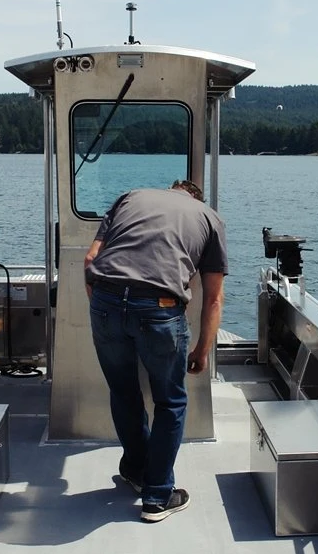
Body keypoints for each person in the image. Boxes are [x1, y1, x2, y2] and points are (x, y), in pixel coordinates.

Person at [84, 180, 227, 523]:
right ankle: (158, 496)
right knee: (170, 402)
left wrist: (105, 308)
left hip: (105, 300)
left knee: (123, 392)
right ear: (195, 197)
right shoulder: (209, 219)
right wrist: (202, 350)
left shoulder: (129, 197)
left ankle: (135, 470)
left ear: (172, 190)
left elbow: (91, 258)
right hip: (159, 310)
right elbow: (214, 298)